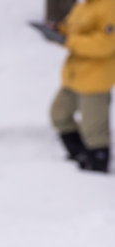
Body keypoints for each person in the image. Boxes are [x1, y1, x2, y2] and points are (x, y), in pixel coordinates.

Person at [49, 0, 115, 173]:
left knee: (94, 130)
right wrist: (58, 31)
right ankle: (79, 155)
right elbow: (76, 31)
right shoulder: (84, 5)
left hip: (95, 79)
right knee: (59, 115)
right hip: (75, 75)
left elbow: (106, 43)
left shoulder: (109, 6)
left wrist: (70, 41)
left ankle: (97, 170)